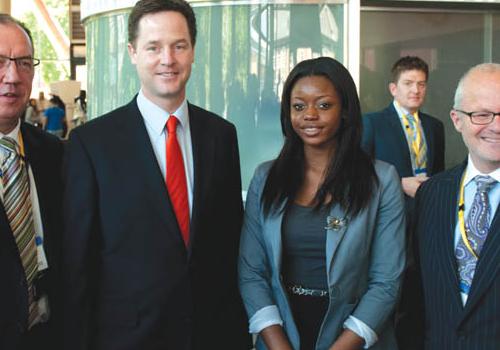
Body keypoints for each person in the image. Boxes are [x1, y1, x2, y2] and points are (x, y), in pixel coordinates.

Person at [61, 0, 250, 349]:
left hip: (210, 335)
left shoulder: (222, 136)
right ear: (133, 52)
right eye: (154, 47)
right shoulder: (92, 144)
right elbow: (79, 263)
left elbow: (229, 245)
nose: (168, 59)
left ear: (193, 51)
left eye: (179, 46)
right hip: (127, 338)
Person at [239, 57, 406, 350]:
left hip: (353, 336)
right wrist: (279, 345)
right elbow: (252, 273)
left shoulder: (382, 179)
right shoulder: (266, 178)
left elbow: (386, 282)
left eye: (324, 105)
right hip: (281, 334)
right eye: (299, 106)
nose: (309, 115)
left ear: (344, 111)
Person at [413, 63, 500, 349]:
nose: (496, 126)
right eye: (482, 114)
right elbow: (416, 295)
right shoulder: (432, 194)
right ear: (457, 119)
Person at [360, 56, 445, 348]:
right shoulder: (372, 123)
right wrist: (398, 183)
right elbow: (357, 173)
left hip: (426, 219)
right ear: (393, 88)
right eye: (409, 83)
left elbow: (439, 174)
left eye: (421, 84)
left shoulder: (435, 126)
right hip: (388, 219)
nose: (416, 90)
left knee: (419, 290)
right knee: (388, 289)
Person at [0, 14, 63, 350]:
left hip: (49, 334)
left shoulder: (54, 153)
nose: (13, 76)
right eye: (0, 61)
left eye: (23, 62)